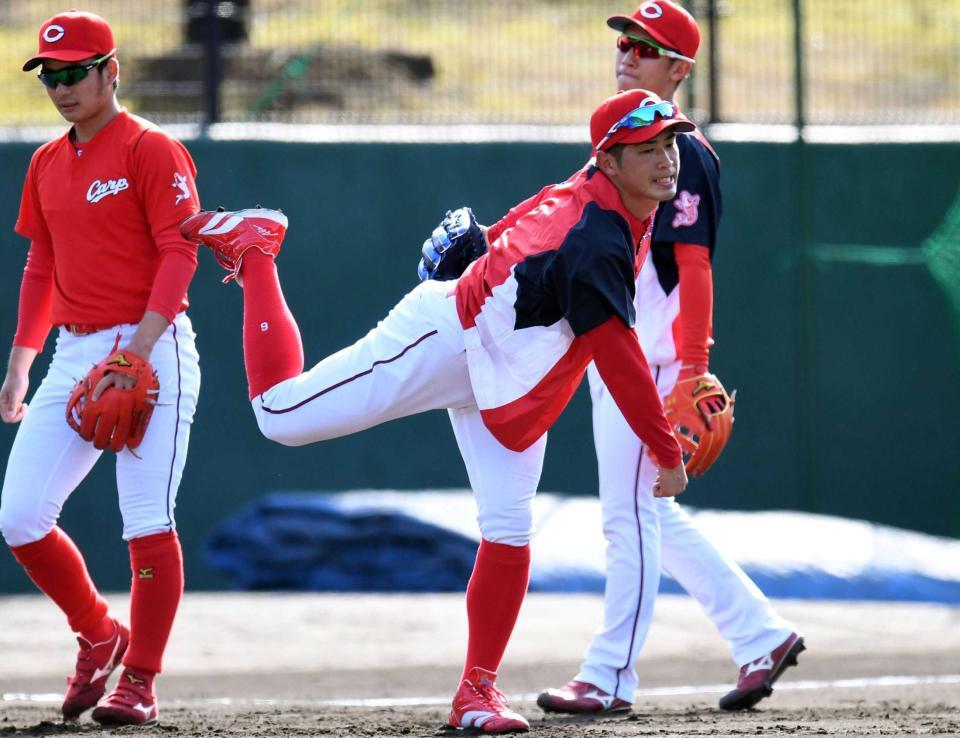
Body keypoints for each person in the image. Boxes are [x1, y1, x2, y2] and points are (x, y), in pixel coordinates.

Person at [180, 87, 692, 733]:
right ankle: (256, 251)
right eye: (646, 149)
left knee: (508, 527)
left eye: (669, 143)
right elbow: (617, 355)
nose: (666, 158)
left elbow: (541, 202)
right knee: (279, 418)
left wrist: (490, 238)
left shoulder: (602, 190)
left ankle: (477, 694)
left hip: (510, 375)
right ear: (610, 161)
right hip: (450, 337)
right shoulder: (599, 236)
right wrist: (666, 455)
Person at [533, 1, 804, 715]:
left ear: (681, 68)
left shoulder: (681, 156)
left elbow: (695, 264)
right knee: (646, 508)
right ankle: (760, 634)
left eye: (647, 46)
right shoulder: (624, 142)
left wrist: (690, 367)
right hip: (619, 346)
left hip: (653, 357)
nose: (628, 51)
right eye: (626, 39)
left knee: (628, 516)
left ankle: (609, 674)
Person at [0, 10, 201, 727]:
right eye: (48, 76)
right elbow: (40, 264)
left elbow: (181, 252)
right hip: (72, 351)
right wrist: (20, 365)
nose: (60, 87)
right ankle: (98, 635)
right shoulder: (46, 162)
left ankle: (140, 679)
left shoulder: (150, 148)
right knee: (20, 517)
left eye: (73, 72)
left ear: (111, 71)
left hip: (153, 345)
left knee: (145, 518)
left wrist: (137, 349)